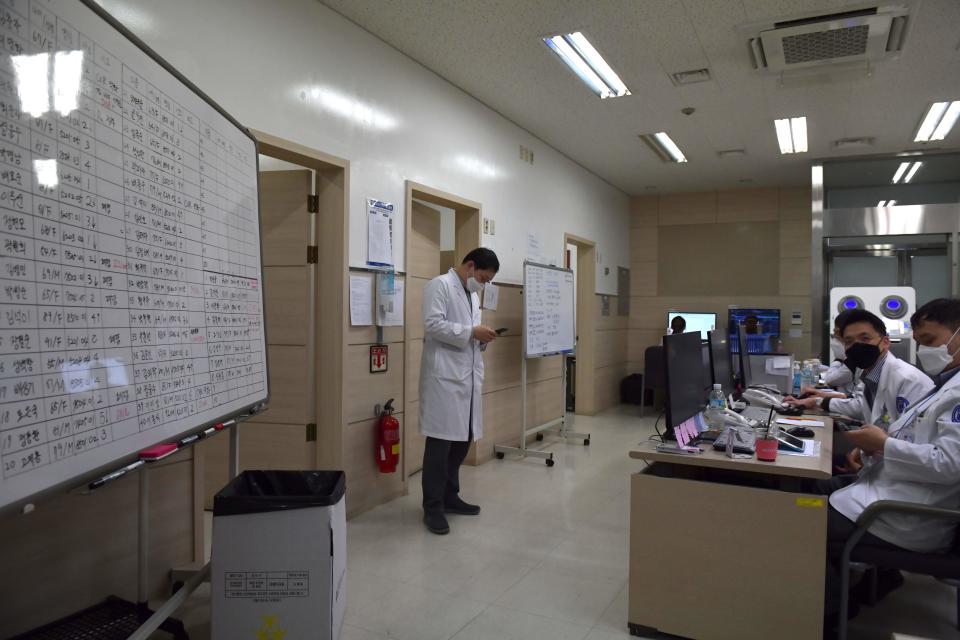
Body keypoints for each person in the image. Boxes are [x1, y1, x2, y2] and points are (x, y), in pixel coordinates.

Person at [819, 298, 960, 631]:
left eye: (930, 340)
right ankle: (837, 593)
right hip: (892, 492)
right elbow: (907, 432)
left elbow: (950, 465)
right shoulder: (945, 383)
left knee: (800, 519)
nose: (923, 349)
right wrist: (875, 449)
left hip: (910, 514)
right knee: (810, 491)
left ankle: (829, 613)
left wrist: (882, 445)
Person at [419, 248, 500, 535]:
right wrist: (470, 333)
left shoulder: (472, 295)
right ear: (470, 266)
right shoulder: (439, 285)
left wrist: (482, 338)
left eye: (488, 280)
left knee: (462, 442)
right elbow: (432, 325)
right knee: (440, 447)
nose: (484, 284)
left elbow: (468, 333)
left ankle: (450, 496)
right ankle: (432, 507)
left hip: (466, 380)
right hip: (444, 379)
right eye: (483, 277)